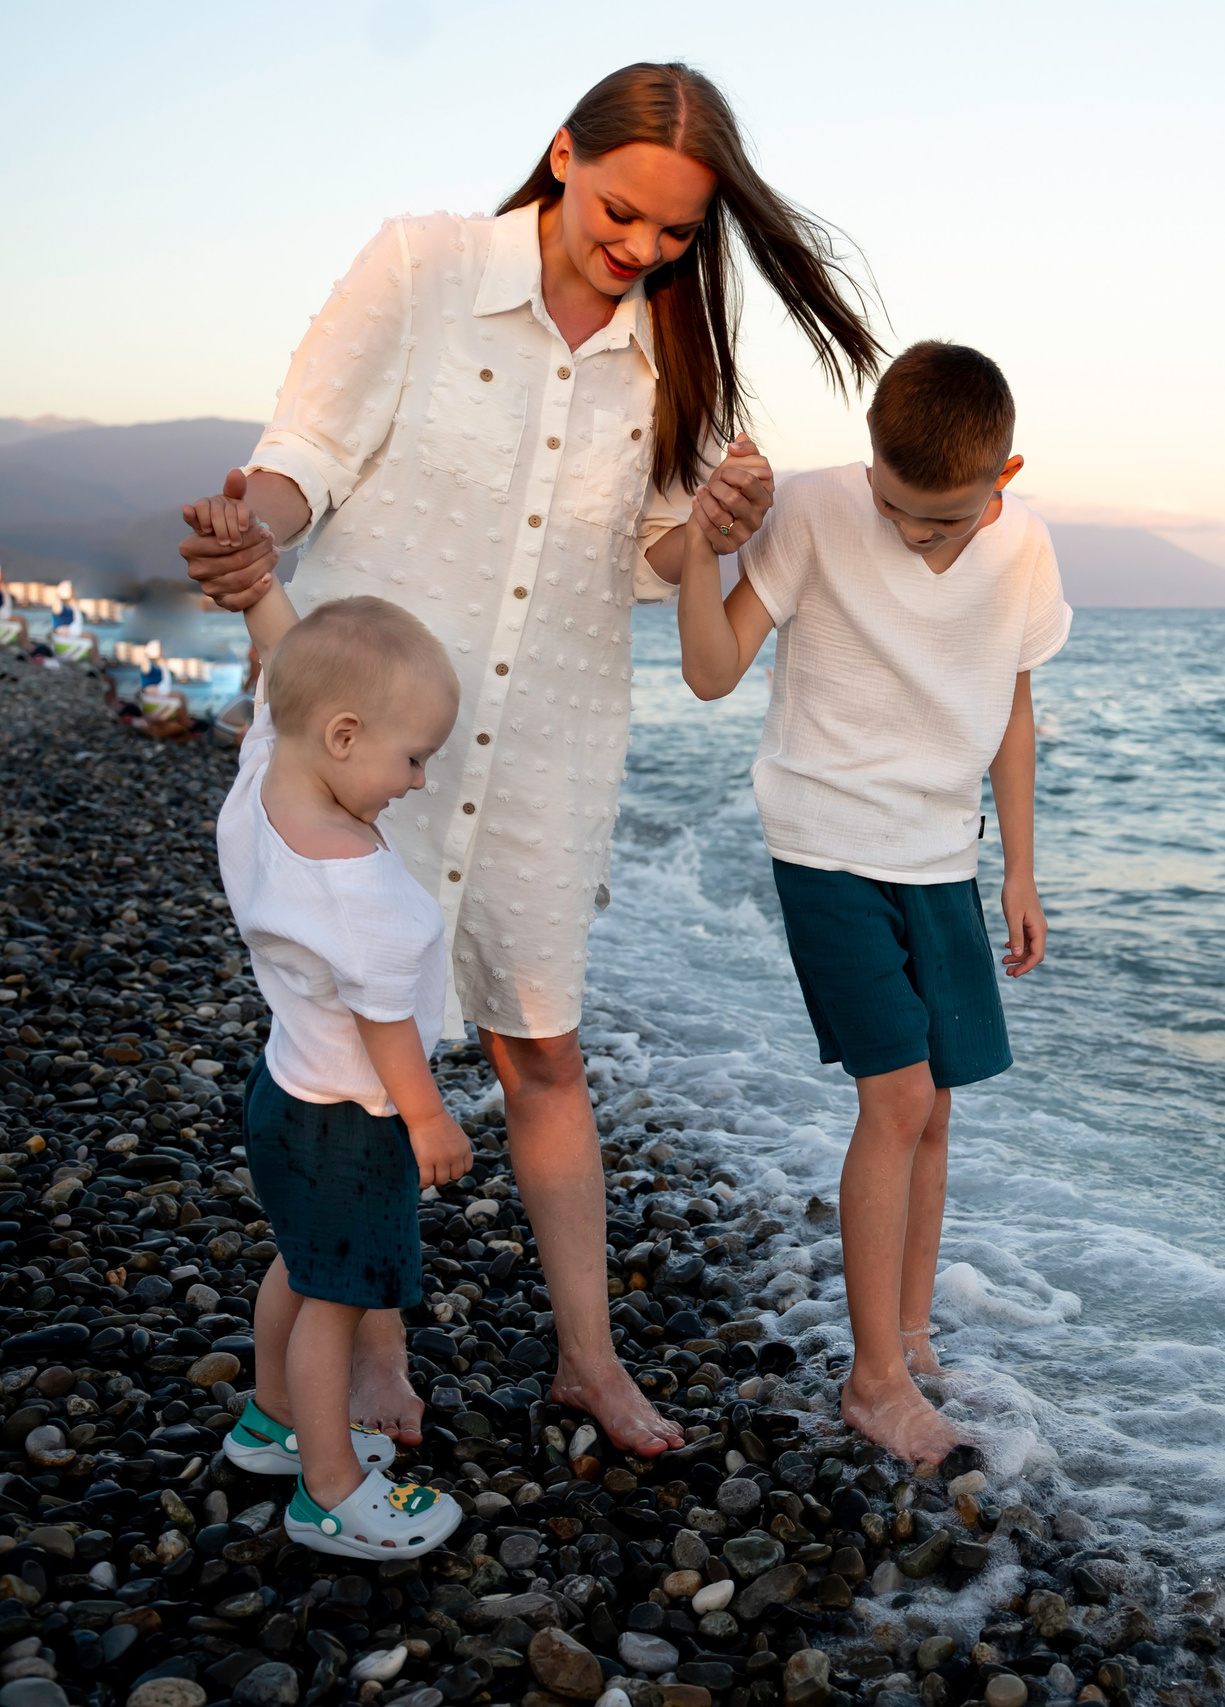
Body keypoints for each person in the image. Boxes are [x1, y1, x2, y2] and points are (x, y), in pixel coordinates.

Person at [176, 62, 881, 1455]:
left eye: (676, 235)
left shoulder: (672, 352)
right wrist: (244, 522)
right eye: (623, 212)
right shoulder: (424, 266)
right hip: (365, 741)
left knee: (543, 1048)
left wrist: (723, 518)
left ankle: (590, 1358)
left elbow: (656, 557)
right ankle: (366, 1344)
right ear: (562, 154)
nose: (642, 250)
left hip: (549, 738)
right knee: (364, 1058)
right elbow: (302, 456)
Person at [670, 342, 1068, 1464]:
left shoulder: (1025, 547)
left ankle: (908, 1332)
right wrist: (703, 546)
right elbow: (710, 671)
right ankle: (875, 1382)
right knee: (893, 1100)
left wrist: (1021, 870)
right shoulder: (811, 513)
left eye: (943, 522)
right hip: (825, 843)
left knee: (936, 1104)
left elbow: (1014, 715)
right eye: (895, 508)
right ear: (869, 465)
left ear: (1006, 476)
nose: (912, 534)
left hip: (942, 855)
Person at [208, 578, 468, 1559]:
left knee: (302, 1260)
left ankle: (273, 1422)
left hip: (285, 1092)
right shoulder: (358, 890)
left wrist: (262, 595)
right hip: (355, 1119)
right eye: (413, 758)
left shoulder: (267, 770)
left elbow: (287, 675)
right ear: (347, 736)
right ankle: (330, 1488)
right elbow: (388, 1024)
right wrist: (429, 1119)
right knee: (337, 1297)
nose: (417, 782)